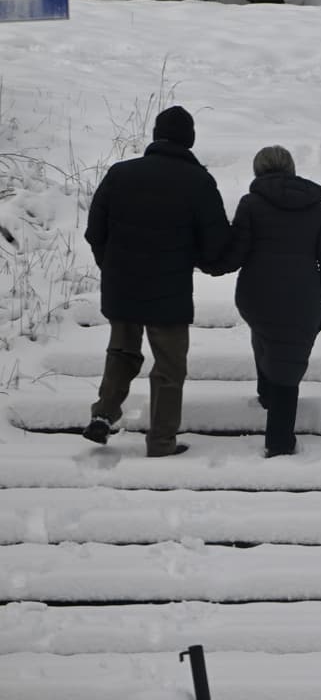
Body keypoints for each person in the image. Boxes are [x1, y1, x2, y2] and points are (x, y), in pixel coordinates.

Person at [82, 106, 230, 457]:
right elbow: (215, 244)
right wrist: (210, 263)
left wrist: (112, 265)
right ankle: (161, 441)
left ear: (155, 135)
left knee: (121, 351)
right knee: (169, 366)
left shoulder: (120, 174)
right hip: (170, 291)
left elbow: (94, 232)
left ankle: (103, 415)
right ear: (189, 139)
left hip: (123, 284)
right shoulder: (199, 182)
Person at [210, 145, 321, 457]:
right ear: (292, 169)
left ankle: (267, 394)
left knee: (268, 337)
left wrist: (207, 259)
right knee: (288, 358)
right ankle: (280, 441)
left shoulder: (251, 205)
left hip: (256, 295)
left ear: (258, 171)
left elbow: (236, 253)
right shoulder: (317, 209)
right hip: (303, 298)